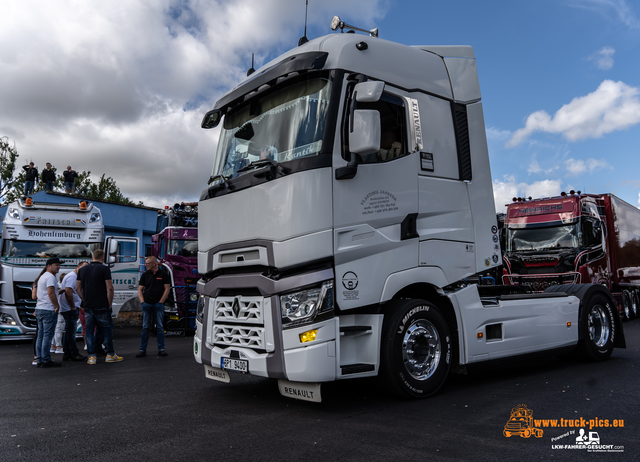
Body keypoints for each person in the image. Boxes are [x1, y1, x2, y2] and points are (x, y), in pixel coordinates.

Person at [76, 249, 123, 365]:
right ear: (103, 258)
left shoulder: (82, 270)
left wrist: (84, 299)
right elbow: (110, 288)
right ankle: (110, 354)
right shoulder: (105, 269)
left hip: (88, 305)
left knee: (89, 330)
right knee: (107, 330)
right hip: (102, 304)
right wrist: (109, 303)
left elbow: (77, 288)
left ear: (92, 257)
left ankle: (92, 357)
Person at [136, 256, 170, 358]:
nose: (145, 265)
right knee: (145, 327)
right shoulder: (145, 275)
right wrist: (142, 302)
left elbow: (167, 289)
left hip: (158, 304)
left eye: (148, 263)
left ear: (154, 264)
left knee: (160, 327)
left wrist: (161, 302)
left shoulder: (164, 275)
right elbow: (140, 289)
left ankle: (161, 349)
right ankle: (142, 350)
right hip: (147, 303)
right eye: (145, 263)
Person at [34, 258, 62, 367]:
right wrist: (56, 305)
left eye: (59, 265)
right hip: (48, 309)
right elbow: (50, 293)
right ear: (49, 266)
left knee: (40, 335)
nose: (58, 267)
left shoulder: (42, 276)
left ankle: (40, 359)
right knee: (47, 336)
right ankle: (46, 360)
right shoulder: (50, 277)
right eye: (56, 265)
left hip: (40, 308)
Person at [59, 262, 88, 361]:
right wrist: (72, 306)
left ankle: (67, 354)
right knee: (71, 332)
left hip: (69, 307)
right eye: (82, 268)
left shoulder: (72, 276)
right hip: (69, 308)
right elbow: (68, 291)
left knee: (68, 332)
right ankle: (74, 353)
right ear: (78, 267)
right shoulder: (72, 277)